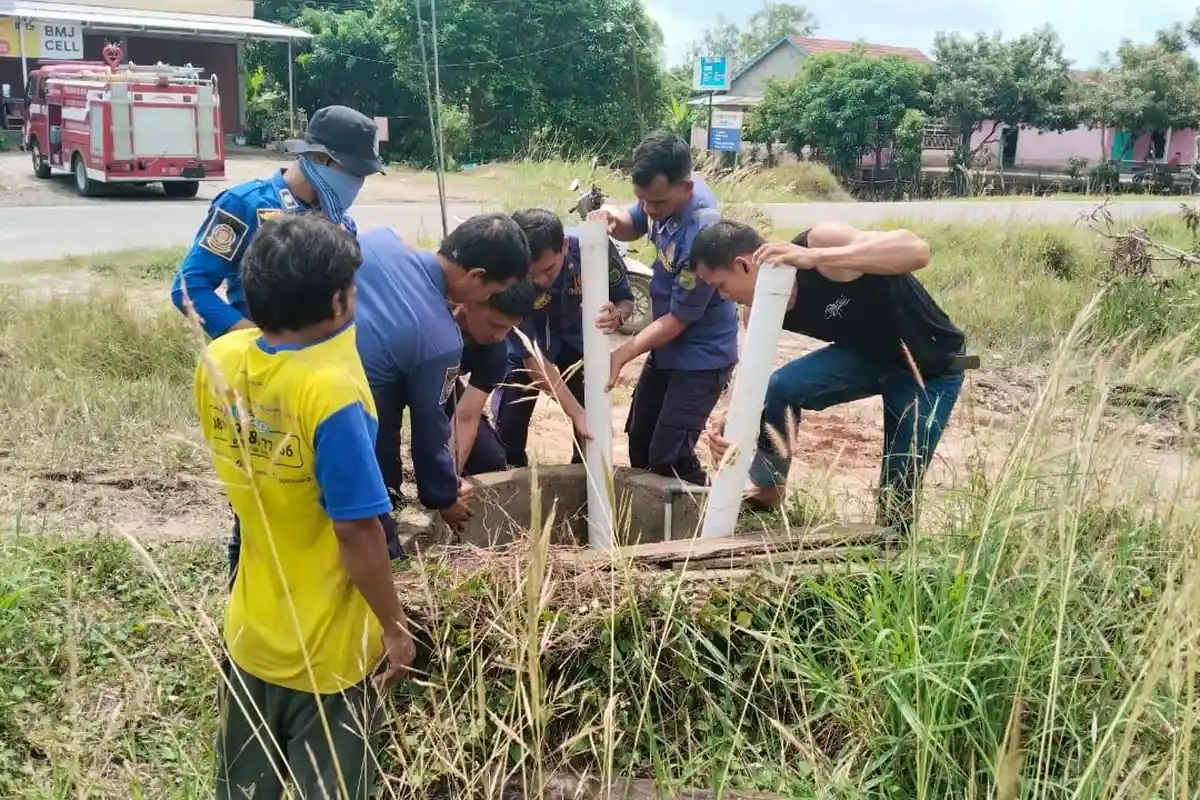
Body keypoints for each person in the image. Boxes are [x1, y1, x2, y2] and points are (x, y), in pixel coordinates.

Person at [194, 214, 414, 800]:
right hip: (327, 653)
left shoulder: (220, 358)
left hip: (249, 632)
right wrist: (395, 628)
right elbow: (356, 530)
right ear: (340, 300)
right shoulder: (330, 391)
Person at [692, 219, 969, 531]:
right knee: (781, 387)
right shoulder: (758, 310)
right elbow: (754, 376)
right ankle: (769, 489)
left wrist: (816, 258)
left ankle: (894, 540)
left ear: (743, 265)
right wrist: (732, 417)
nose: (723, 296)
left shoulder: (819, 244)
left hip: (932, 367)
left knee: (899, 479)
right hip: (865, 357)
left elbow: (917, 251)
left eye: (720, 285)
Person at [354, 214, 530, 542]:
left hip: (304, 383)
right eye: (491, 292)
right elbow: (430, 428)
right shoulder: (441, 339)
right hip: (363, 407)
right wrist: (444, 496)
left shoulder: (380, 238)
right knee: (375, 497)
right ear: (476, 276)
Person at [588, 132, 738, 485]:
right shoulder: (661, 194)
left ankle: (705, 508)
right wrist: (611, 218)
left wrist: (621, 354)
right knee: (640, 441)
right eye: (642, 199)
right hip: (666, 350)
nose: (649, 209)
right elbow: (633, 225)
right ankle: (653, 512)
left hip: (701, 357)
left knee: (669, 457)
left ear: (686, 187)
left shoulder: (702, 235)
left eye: (656, 202)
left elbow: (678, 319)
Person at [171, 105, 384, 339]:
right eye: (355, 172)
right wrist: (260, 341)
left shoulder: (341, 222)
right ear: (319, 158)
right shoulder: (244, 205)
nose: (359, 183)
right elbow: (190, 287)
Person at [496, 208, 630, 466]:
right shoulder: (511, 277)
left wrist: (619, 316)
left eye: (548, 269)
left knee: (589, 425)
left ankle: (583, 477)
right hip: (527, 351)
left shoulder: (593, 249)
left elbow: (625, 300)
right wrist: (576, 413)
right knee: (509, 427)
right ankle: (512, 472)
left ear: (565, 246)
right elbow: (533, 360)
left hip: (577, 344)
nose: (540, 280)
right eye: (531, 274)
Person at [446, 279, 538, 476]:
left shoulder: (495, 351)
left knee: (489, 461)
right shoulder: (434, 315)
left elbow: (466, 417)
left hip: (444, 387)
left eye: (507, 329)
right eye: (494, 325)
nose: (499, 336)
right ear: (469, 303)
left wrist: (450, 480)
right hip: (394, 377)